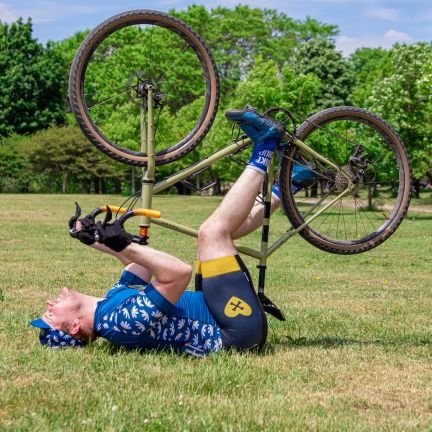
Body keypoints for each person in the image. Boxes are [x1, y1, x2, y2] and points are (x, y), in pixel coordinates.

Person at [30, 108, 309, 356]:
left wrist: (92, 239)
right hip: (234, 330)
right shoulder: (119, 324)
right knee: (212, 233)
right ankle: (266, 144)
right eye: (50, 316)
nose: (49, 304)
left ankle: (292, 184)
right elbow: (177, 273)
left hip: (222, 312)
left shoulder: (110, 305)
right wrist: (123, 245)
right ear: (75, 327)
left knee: (227, 232)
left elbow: (139, 266)